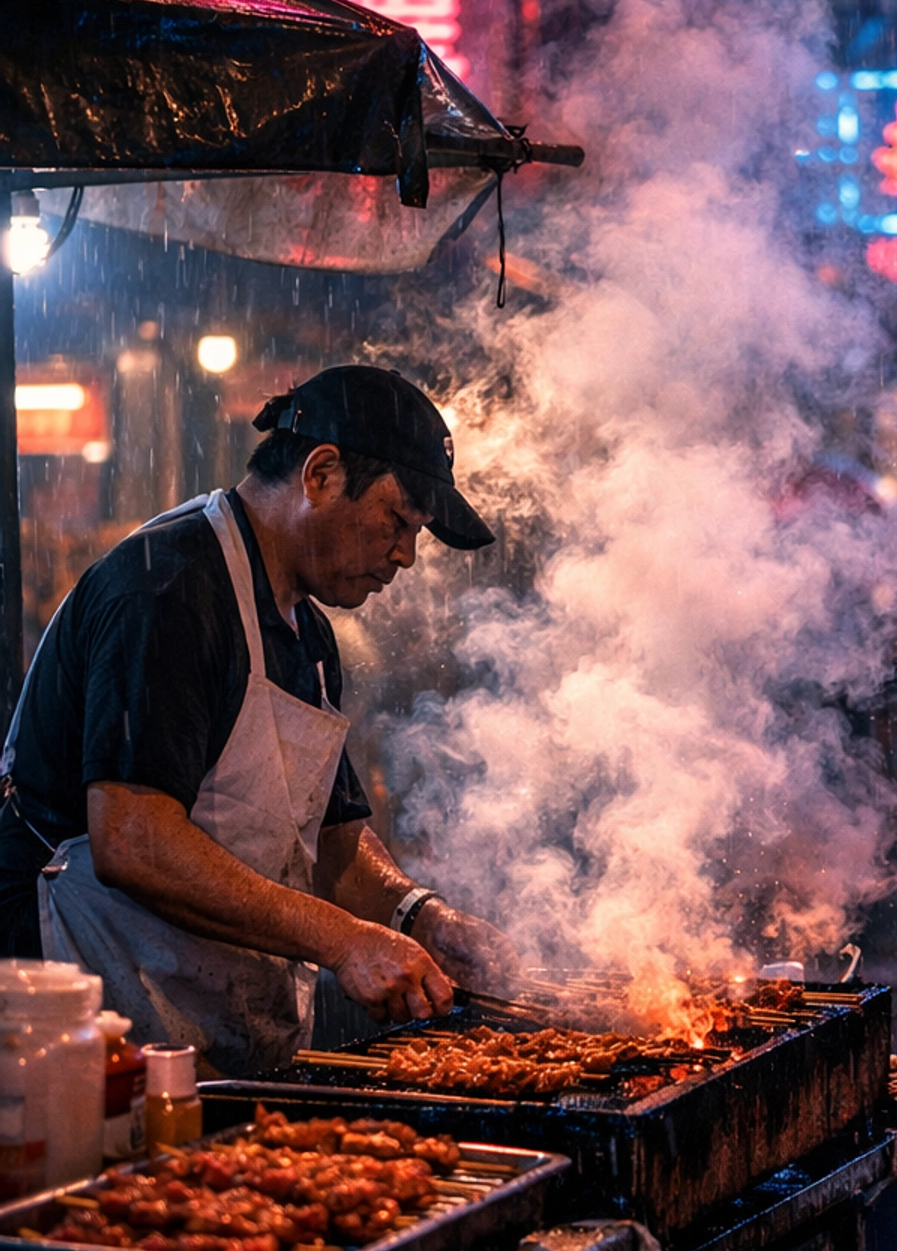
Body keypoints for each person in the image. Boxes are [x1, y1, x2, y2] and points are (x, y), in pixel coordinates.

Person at [0, 365, 521, 1075]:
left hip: (204, 1030)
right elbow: (133, 840)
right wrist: (343, 942)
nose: (406, 555)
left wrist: (418, 915)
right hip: (77, 1011)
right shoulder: (169, 587)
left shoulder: (307, 636)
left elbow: (332, 845)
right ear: (321, 474)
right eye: (399, 523)